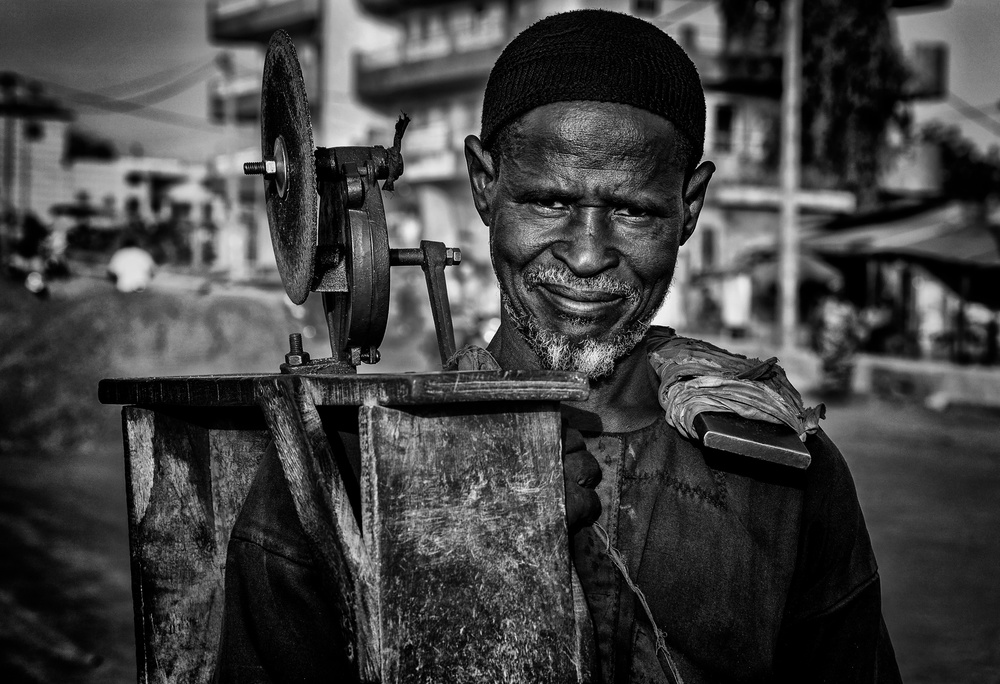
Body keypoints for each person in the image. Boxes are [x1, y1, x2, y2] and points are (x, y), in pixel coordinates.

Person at [215, 10, 900, 683]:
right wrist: (459, 550)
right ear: (487, 185)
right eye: (548, 202)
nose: (587, 255)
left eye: (633, 210)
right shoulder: (333, 474)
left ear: (688, 207)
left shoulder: (778, 480)